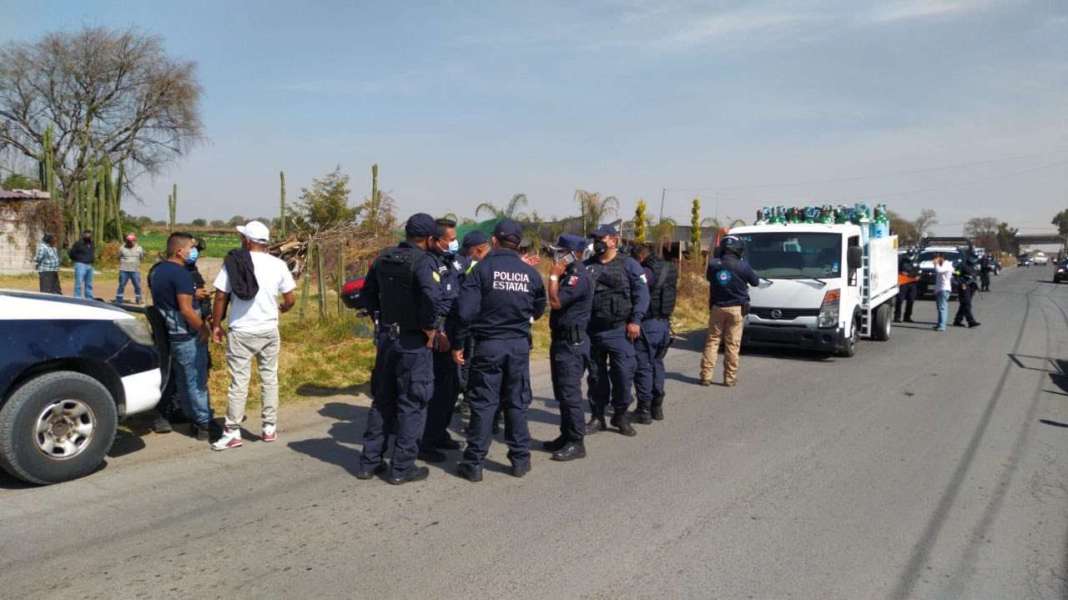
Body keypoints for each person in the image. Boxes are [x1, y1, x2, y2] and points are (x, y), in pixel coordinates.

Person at [453, 219, 547, 482]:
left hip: (488, 345)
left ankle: (474, 463)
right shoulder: (529, 274)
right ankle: (520, 460)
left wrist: (459, 343)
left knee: (484, 403)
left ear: (494, 240)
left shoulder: (482, 270)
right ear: (518, 243)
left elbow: (465, 312)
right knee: (516, 402)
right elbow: (539, 308)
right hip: (518, 345)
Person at [355, 213, 444, 485]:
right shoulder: (425, 261)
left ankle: (369, 462)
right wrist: (430, 327)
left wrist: (379, 319)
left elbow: (366, 294)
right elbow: (432, 297)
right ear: (429, 239)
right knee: (412, 403)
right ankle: (402, 467)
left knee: (382, 400)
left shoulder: (383, 258)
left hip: (386, 340)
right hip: (413, 342)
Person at [210, 221, 297, 451]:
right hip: (268, 330)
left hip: (242, 331)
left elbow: (220, 296)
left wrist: (216, 325)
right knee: (270, 378)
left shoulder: (235, 263)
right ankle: (269, 427)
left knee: (239, 382)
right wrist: (283, 309)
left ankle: (232, 431)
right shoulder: (278, 264)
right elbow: (290, 298)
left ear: (247, 241)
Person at [584, 224, 650, 437]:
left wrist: (636, 321)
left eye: (601, 238)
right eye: (594, 238)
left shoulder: (629, 265)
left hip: (620, 330)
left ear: (613, 240)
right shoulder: (587, 266)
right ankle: (597, 417)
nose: (597, 242)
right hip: (593, 331)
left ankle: (620, 415)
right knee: (595, 377)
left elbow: (642, 295)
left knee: (623, 376)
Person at [148, 232, 213, 442]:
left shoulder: (158, 271)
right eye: (191, 247)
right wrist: (203, 329)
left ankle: (192, 418)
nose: (193, 251)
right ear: (179, 250)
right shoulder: (181, 274)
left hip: (169, 335)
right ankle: (204, 424)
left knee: (183, 379)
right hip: (187, 334)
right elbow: (186, 310)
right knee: (196, 381)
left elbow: (170, 299)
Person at [542, 234, 594, 461]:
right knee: (562, 392)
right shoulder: (569, 274)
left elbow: (555, 302)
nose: (557, 254)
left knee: (570, 394)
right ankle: (565, 435)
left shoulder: (577, 276)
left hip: (572, 344)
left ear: (574, 253)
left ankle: (576, 441)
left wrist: (552, 277)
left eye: (561, 250)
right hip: (562, 341)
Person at [419, 218, 464, 463]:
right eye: (450, 239)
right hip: (438, 331)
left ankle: (438, 432)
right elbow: (429, 301)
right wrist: (436, 330)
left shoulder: (453, 261)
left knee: (450, 387)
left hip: (454, 328)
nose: (454, 242)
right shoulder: (427, 263)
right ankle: (425, 440)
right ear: (435, 240)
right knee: (433, 388)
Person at [700, 235, 759, 387]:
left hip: (717, 307)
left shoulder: (713, 264)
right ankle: (729, 378)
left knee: (712, 341)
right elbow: (755, 282)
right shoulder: (743, 266)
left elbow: (709, 278)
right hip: (736, 309)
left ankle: (706, 376)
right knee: (732, 344)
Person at [632, 242, 677, 423]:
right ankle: (657, 407)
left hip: (648, 324)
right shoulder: (671, 268)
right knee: (657, 364)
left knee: (643, 366)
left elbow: (639, 290)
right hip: (664, 324)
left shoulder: (647, 272)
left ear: (640, 257)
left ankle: (644, 410)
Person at [115, 234, 145, 304]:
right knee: (121, 285)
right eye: (128, 241)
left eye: (131, 241)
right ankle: (119, 299)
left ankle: (139, 299)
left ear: (135, 241)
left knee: (137, 285)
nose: (129, 242)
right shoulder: (122, 248)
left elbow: (141, 258)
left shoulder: (139, 248)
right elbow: (118, 256)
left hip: (135, 270)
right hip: (124, 270)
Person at [953, 252, 981, 328]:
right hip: (964, 286)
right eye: (973, 257)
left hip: (972, 286)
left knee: (964, 304)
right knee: (967, 304)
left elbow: (976, 275)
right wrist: (962, 282)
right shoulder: (962, 265)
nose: (975, 259)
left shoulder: (974, 266)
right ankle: (971, 321)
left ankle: (957, 320)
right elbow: (956, 275)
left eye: (976, 258)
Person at [894, 250, 920, 323]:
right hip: (904, 283)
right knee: (900, 300)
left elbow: (918, 271)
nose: (910, 257)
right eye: (909, 255)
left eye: (912, 255)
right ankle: (897, 316)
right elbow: (898, 271)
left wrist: (918, 275)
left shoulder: (915, 262)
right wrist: (902, 274)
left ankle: (907, 316)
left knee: (911, 300)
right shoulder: (902, 261)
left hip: (913, 283)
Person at [68, 229, 95, 299]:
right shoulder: (78, 243)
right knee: (79, 283)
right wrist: (78, 259)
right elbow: (71, 253)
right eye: (86, 234)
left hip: (90, 265)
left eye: (89, 234)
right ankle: (77, 298)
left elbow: (92, 252)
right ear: (83, 235)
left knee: (89, 284)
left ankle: (89, 299)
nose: (88, 235)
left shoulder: (92, 243)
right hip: (80, 265)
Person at [932, 252, 954, 332]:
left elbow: (939, 270)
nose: (936, 259)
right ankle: (939, 324)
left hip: (944, 289)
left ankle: (942, 326)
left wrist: (936, 263)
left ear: (942, 258)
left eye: (938, 258)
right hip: (940, 289)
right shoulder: (943, 264)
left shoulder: (947, 264)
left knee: (942, 308)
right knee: (940, 308)